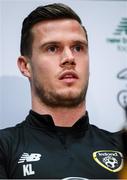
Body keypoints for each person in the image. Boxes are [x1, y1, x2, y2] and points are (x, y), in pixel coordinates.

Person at [0, 3, 124, 179]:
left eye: (78, 48)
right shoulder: (5, 147)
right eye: (52, 48)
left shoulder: (121, 147)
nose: (69, 58)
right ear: (25, 66)